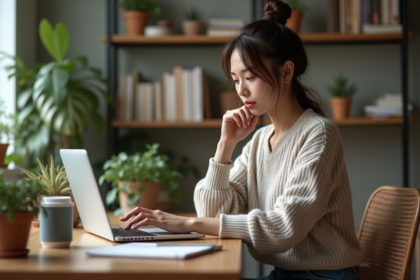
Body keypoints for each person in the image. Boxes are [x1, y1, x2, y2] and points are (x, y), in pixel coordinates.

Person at [120, 0, 363, 279]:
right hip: (287, 274)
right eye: (236, 79)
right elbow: (214, 211)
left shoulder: (319, 134)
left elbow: (284, 228)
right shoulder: (260, 140)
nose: (242, 91)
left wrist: (186, 223)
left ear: (286, 72)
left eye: (250, 77)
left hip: (326, 276)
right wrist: (225, 145)